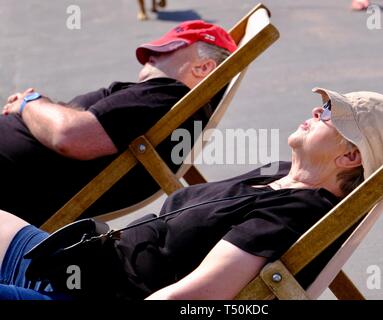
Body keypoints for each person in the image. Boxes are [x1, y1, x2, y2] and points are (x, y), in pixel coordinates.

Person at [0, 88, 383, 300]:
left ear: (351, 156)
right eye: (322, 105)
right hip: (72, 261)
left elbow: (197, 296)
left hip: (81, 294)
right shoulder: (282, 173)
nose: (315, 112)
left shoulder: (289, 214)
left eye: (329, 114)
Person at [0, 20, 237, 226]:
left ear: (203, 67)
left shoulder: (165, 95)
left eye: (168, 49)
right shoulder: (168, 103)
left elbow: (68, 136)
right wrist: (45, 109)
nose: (152, 56)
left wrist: (30, 103)